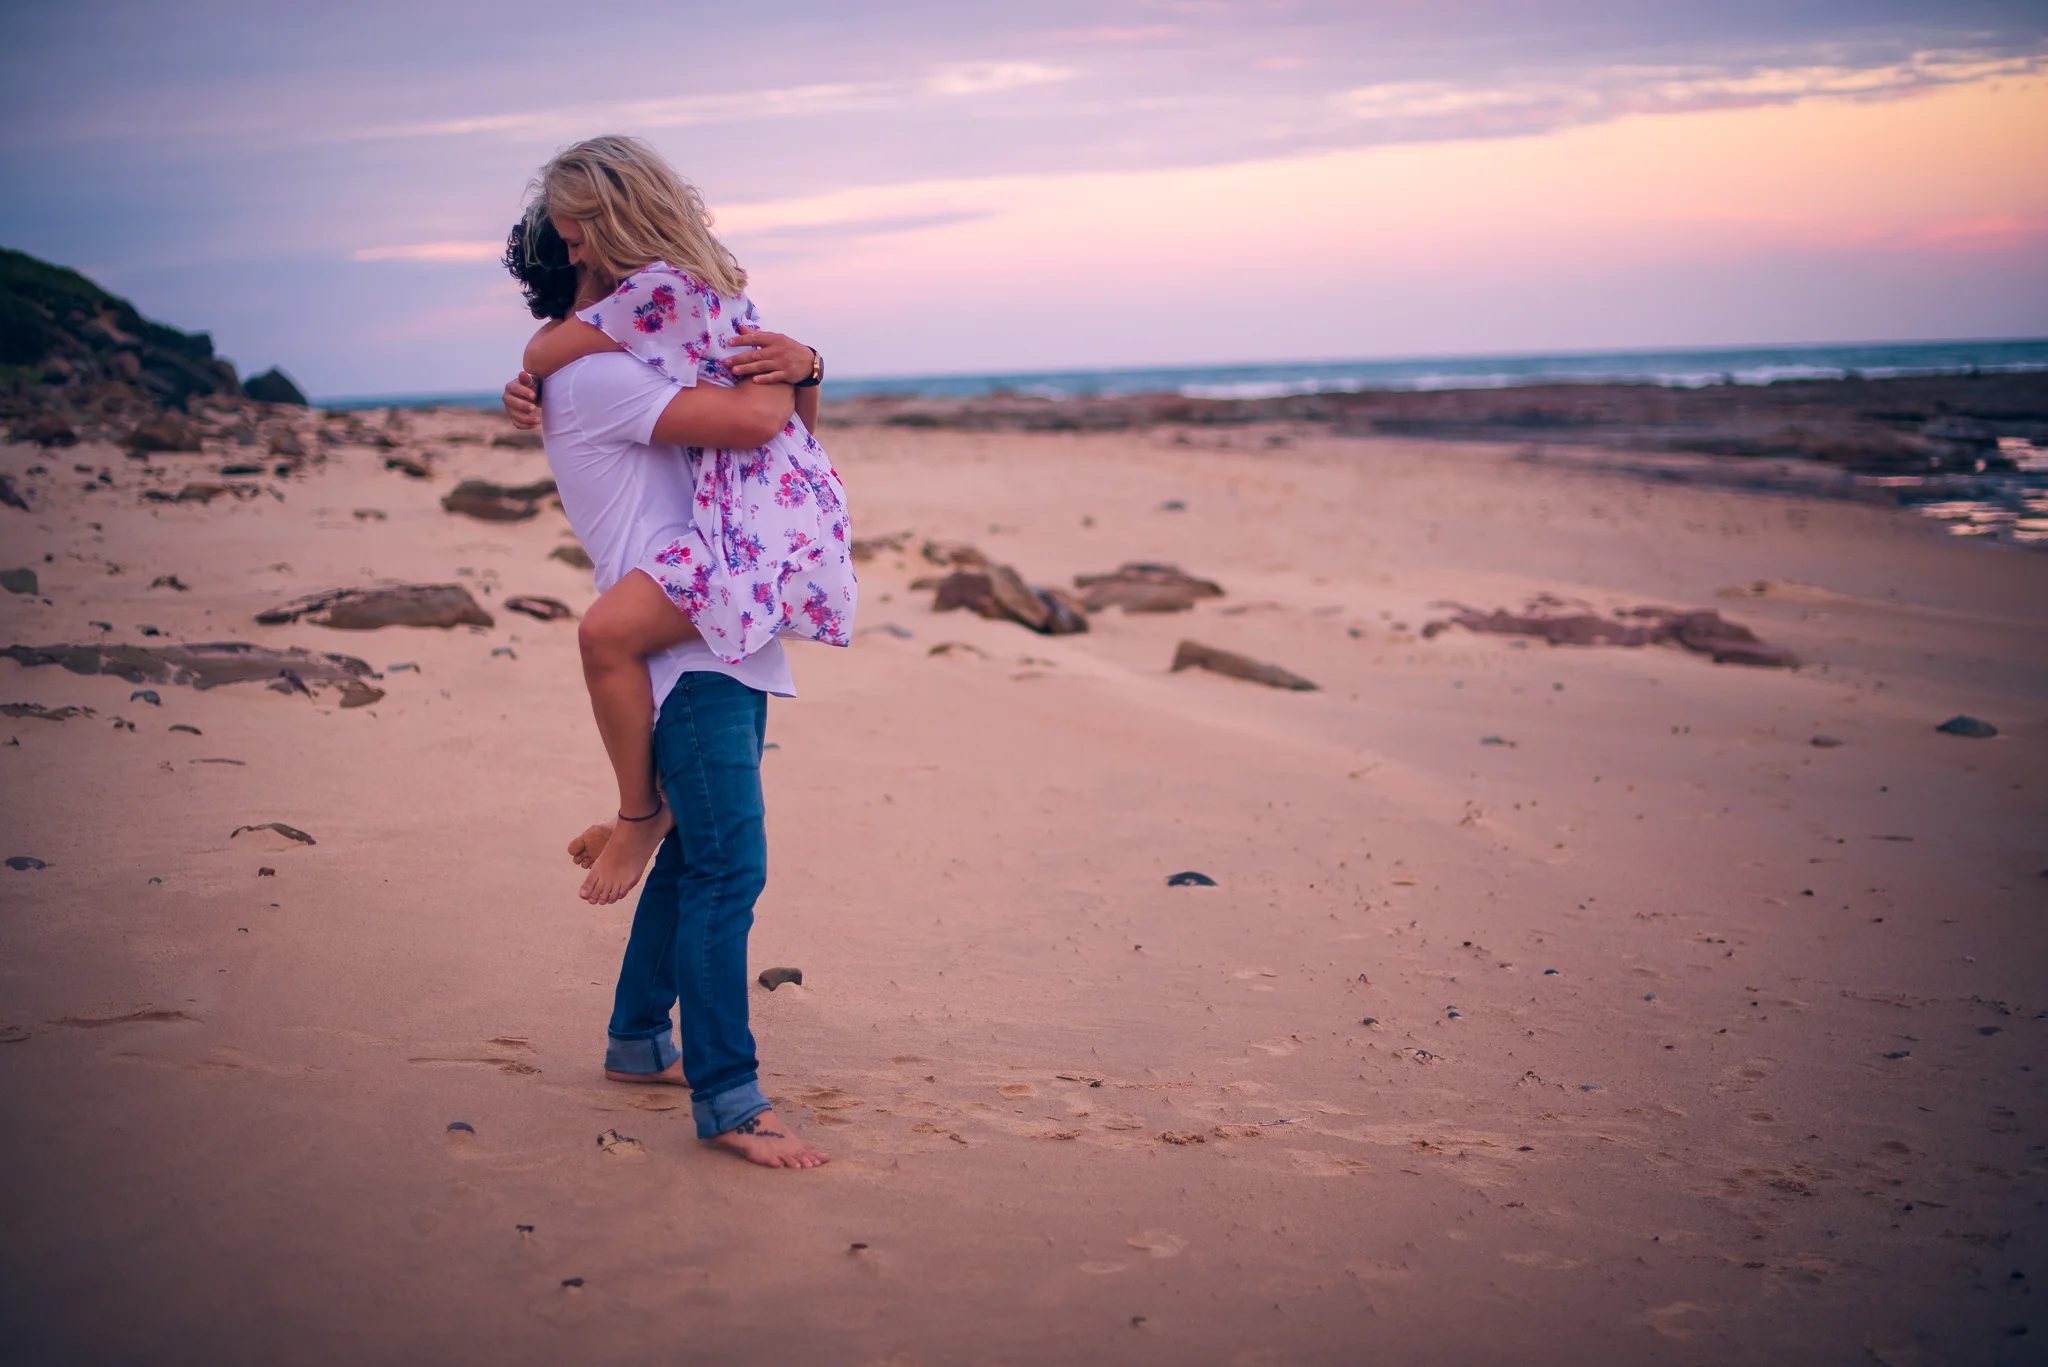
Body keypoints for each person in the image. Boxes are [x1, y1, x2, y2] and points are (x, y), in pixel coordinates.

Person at [499, 135, 838, 1168]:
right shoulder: (599, 375)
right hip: (680, 654)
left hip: (711, 630)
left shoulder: (628, 359)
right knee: (730, 864)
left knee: (695, 856)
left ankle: (639, 1038)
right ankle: (730, 1096)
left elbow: (788, 447)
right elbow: (753, 421)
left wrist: (802, 371)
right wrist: (796, 366)